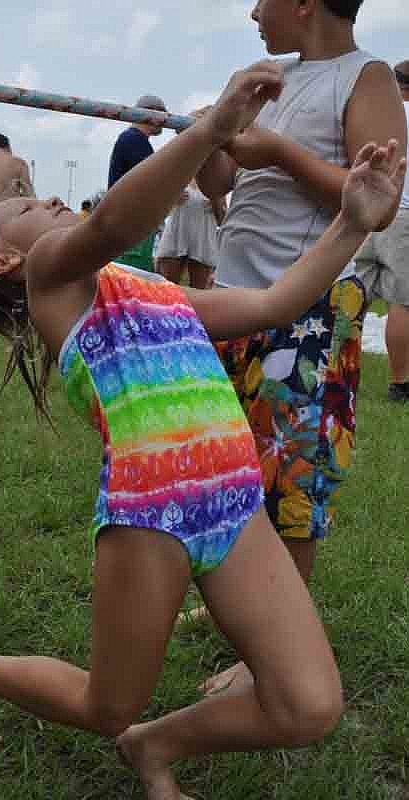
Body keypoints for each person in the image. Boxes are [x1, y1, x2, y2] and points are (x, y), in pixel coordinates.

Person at [0, 60, 405, 800]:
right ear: (8, 258)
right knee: (107, 704)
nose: (58, 201)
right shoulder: (54, 288)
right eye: (31, 209)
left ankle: (155, 744)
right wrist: (208, 132)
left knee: (307, 706)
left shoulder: (151, 290)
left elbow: (269, 304)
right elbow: (113, 224)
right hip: (149, 513)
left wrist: (350, 223)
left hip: (233, 503)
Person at [195, 0, 407, 693]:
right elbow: (218, 185)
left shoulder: (365, 77)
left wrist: (277, 151)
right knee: (226, 461)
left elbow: (376, 199)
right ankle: (236, 599)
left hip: (311, 303)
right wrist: (215, 137)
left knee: (292, 471)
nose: (253, 11)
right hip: (232, 298)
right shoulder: (262, 77)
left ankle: (270, 653)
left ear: (304, 2)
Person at [356, 60, 409, 402]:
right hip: (402, 216)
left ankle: (334, 369)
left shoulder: (379, 116)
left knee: (355, 296)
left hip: (363, 212)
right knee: (404, 301)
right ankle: (400, 383)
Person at [108, 93, 167, 271]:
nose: (166, 120)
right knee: (132, 275)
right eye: (163, 114)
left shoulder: (133, 139)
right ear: (151, 114)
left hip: (127, 220)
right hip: (130, 221)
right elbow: (155, 182)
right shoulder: (135, 140)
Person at [155, 178, 226, 288]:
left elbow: (222, 221)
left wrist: (216, 202)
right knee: (167, 287)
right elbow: (158, 209)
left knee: (200, 290)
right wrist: (172, 199)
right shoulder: (180, 175)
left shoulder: (216, 183)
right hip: (175, 238)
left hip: (203, 243)